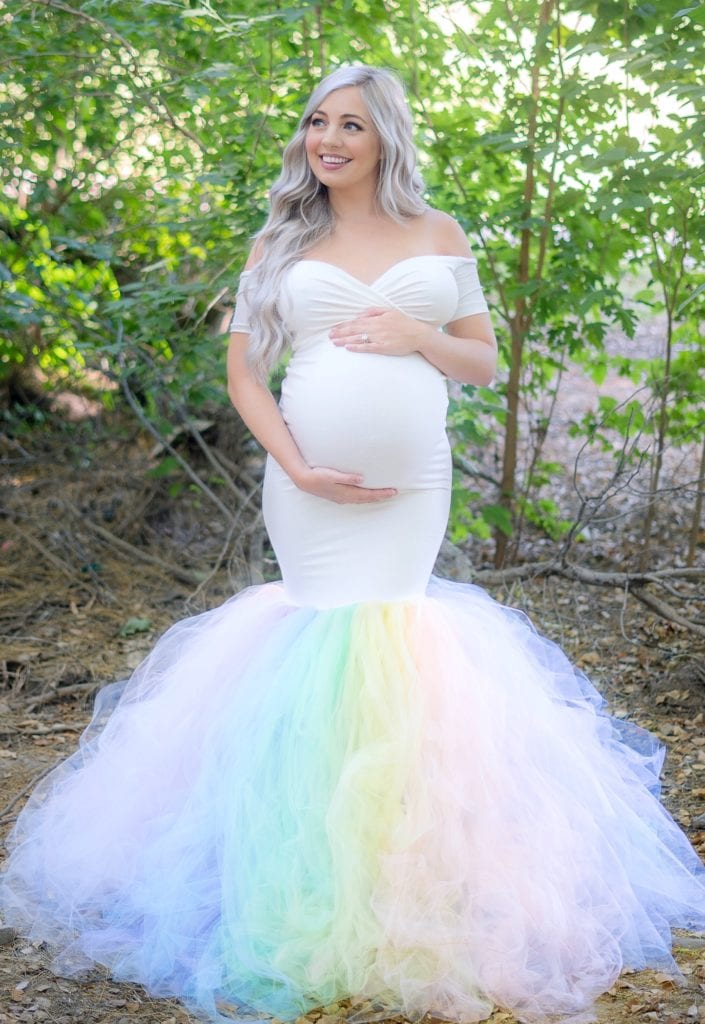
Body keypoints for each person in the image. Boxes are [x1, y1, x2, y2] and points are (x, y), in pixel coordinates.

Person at [1, 64, 705, 1024]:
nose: (328, 139)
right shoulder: (282, 238)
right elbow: (245, 374)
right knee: (316, 653)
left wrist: (416, 329)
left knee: (403, 657)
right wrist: (296, 467)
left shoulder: (436, 233)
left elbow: (480, 361)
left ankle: (407, 894)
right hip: (309, 489)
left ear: (384, 141)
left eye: (351, 126)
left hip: (412, 490)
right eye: (317, 122)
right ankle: (296, 891)